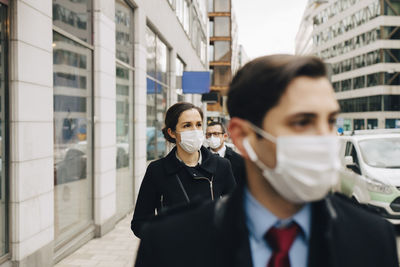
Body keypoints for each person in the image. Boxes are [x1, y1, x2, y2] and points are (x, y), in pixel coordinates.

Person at [134, 55, 399, 267]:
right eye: (302, 122)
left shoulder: (372, 237)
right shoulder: (169, 243)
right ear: (243, 136)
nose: (325, 138)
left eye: (330, 121)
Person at [131, 102, 236, 238]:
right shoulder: (157, 170)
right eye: (187, 125)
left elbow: (236, 212)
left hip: (213, 254)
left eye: (198, 124)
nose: (195, 130)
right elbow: (140, 222)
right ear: (172, 132)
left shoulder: (222, 165)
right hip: (173, 256)